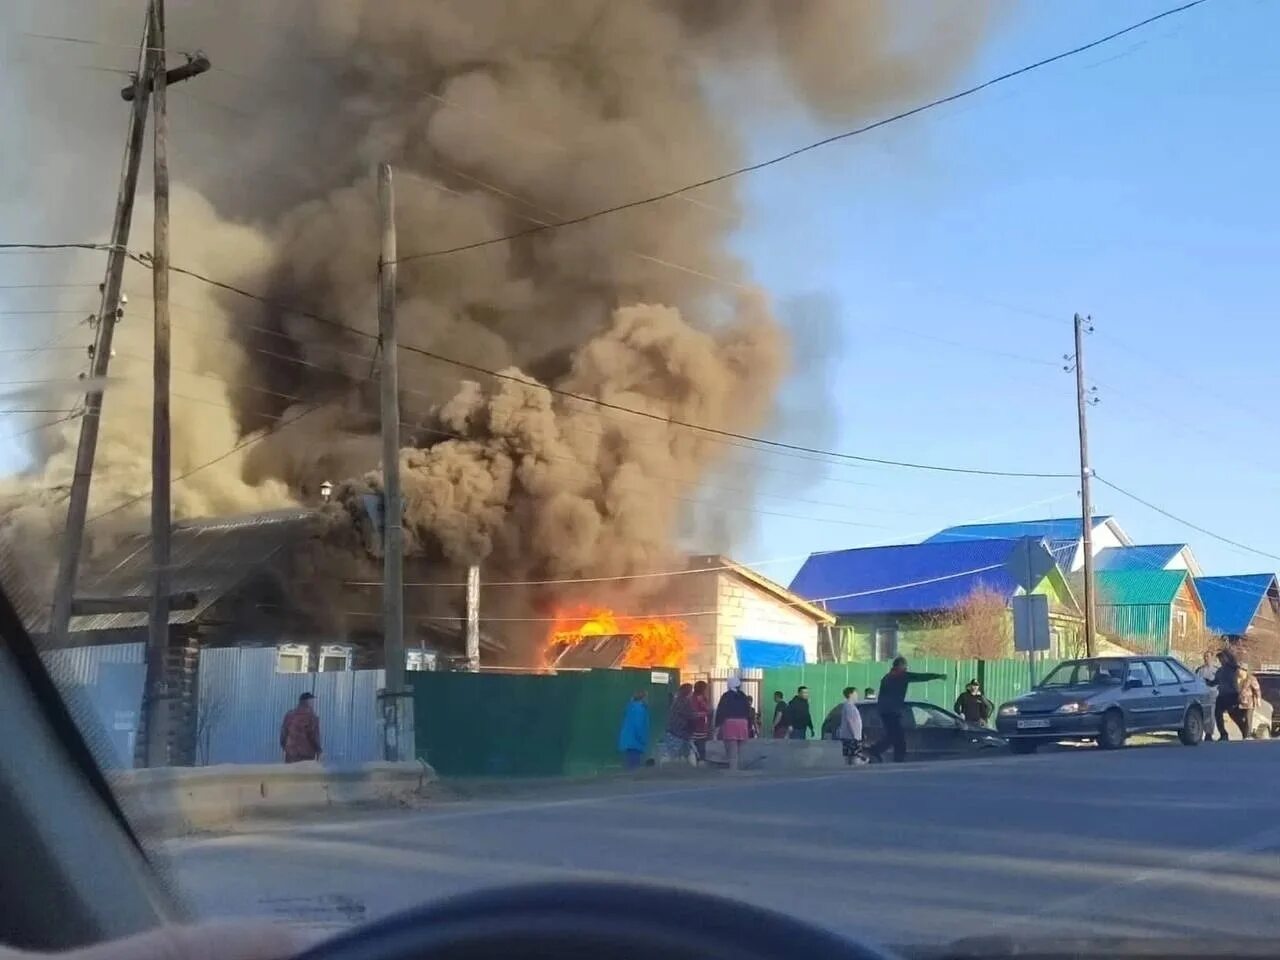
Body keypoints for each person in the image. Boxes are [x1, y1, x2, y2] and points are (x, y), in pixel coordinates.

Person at [869, 656, 946, 763]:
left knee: (893, 736)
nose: (906, 668)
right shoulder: (901, 676)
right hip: (892, 712)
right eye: (905, 666)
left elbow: (883, 696)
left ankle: (878, 752)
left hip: (885, 711)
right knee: (898, 738)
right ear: (900, 666)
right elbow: (920, 677)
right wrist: (937, 676)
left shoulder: (887, 677)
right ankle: (879, 752)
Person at [714, 675, 753, 770]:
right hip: (743, 724)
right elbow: (748, 711)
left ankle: (733, 770)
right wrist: (749, 726)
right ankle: (739, 769)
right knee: (740, 750)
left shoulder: (726, 696)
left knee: (731, 750)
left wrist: (717, 727)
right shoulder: (743, 696)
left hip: (730, 724)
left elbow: (721, 711)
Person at [279, 692, 322, 763]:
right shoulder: (312, 717)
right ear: (308, 702)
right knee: (304, 773)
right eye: (312, 701)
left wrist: (285, 747)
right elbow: (313, 736)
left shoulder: (289, 715)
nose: (314, 704)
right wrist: (318, 750)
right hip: (306, 754)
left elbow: (283, 734)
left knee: (291, 773)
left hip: (291, 753)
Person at [1209, 649, 1240, 741]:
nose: (1221, 660)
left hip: (1231, 694)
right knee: (1217, 713)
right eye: (1219, 659)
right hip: (1222, 695)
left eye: (1222, 658)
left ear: (1227, 658)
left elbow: (1235, 681)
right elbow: (1215, 682)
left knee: (1233, 714)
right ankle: (1223, 734)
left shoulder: (1233, 668)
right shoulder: (1220, 670)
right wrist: (1208, 682)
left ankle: (1244, 730)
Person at [661, 682, 695, 764]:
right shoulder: (686, 701)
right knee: (687, 752)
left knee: (671, 752)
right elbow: (690, 715)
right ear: (688, 692)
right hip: (681, 731)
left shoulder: (676, 700)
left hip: (672, 730)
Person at [618, 690, 649, 769]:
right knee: (634, 768)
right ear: (642, 698)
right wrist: (643, 739)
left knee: (630, 766)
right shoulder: (640, 709)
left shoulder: (631, 707)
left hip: (628, 741)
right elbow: (639, 726)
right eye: (646, 697)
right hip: (635, 742)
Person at [836, 686, 865, 765]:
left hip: (850, 736)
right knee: (854, 756)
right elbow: (851, 721)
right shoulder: (849, 706)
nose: (857, 696)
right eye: (856, 693)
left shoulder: (849, 706)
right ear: (851, 694)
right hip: (851, 737)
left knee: (850, 756)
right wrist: (856, 736)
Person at [1195, 650, 1219, 741]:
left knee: (1212, 715)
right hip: (1202, 696)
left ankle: (1209, 734)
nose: (1206, 658)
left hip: (1213, 695)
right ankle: (1201, 732)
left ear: (1212, 658)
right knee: (1203, 714)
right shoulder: (1200, 670)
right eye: (1205, 657)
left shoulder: (1216, 670)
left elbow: (1219, 683)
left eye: (1208, 656)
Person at [1236, 664, 1263, 740]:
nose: (1239, 671)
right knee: (1240, 719)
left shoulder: (1251, 679)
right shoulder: (1237, 679)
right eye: (1239, 669)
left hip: (1249, 703)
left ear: (1245, 671)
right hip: (1240, 703)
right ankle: (1245, 733)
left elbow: (1257, 690)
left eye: (1241, 669)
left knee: (1248, 719)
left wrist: (1258, 700)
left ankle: (1248, 735)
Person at [690, 680, 712, 762]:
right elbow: (693, 713)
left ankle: (700, 761)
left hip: (701, 727)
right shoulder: (693, 699)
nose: (707, 691)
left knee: (701, 746)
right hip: (695, 727)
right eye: (706, 689)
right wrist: (704, 713)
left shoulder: (703, 699)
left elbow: (709, 710)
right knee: (697, 747)